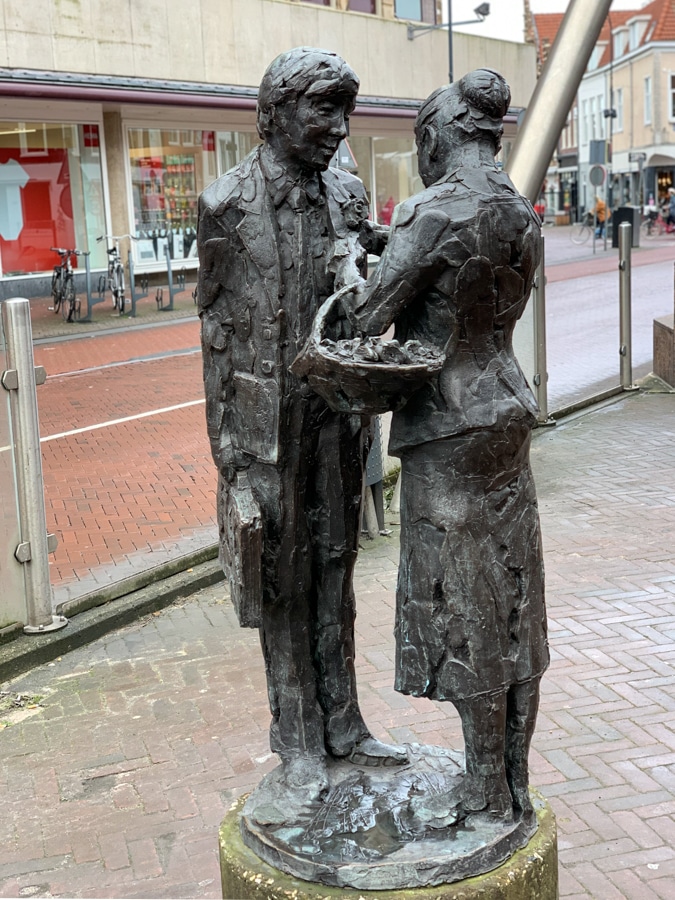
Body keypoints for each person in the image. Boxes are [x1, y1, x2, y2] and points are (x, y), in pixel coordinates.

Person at [197, 47, 405, 811]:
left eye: (345, 112)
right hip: (263, 430)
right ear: (275, 111)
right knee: (280, 583)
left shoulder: (348, 192)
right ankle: (296, 740)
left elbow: (366, 297)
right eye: (325, 111)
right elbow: (215, 333)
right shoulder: (226, 203)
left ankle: (344, 726)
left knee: (337, 570)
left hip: (335, 421)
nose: (340, 129)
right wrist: (230, 457)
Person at [342, 69, 549, 827]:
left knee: (466, 602)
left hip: (447, 425)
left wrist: (357, 263)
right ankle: (514, 779)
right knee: (516, 594)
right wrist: (389, 243)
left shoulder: (430, 209)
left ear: (435, 136)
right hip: (505, 412)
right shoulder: (519, 212)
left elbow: (370, 317)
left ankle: (484, 787)